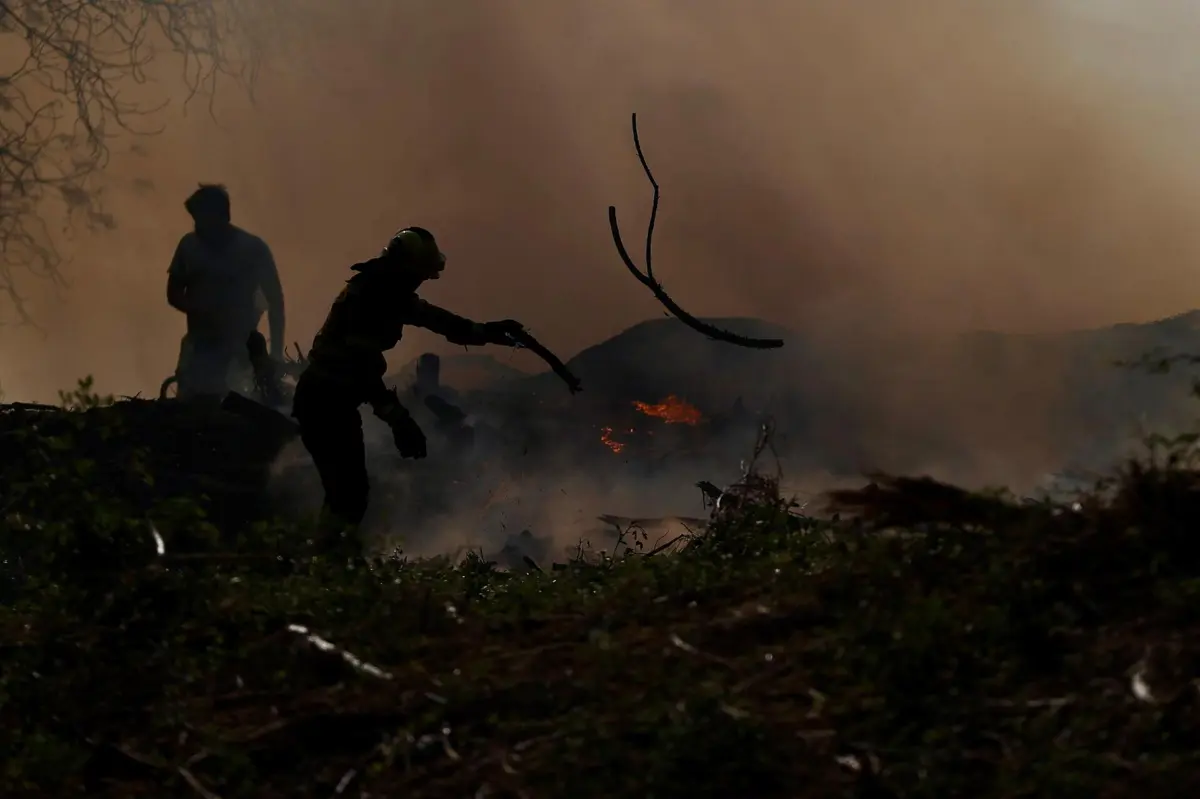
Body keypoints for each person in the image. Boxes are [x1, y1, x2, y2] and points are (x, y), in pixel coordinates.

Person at [292, 226, 525, 552]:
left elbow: (442, 322)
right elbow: (361, 371)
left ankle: (327, 559)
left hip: (334, 402)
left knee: (348, 493)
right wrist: (398, 420)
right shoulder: (371, 297)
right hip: (324, 401)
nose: (422, 281)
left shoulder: (388, 291)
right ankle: (325, 562)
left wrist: (490, 332)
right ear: (405, 268)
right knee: (347, 494)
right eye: (420, 274)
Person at [166, 184, 286, 399]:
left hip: (241, 349)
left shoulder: (252, 249)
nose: (198, 226)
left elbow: (275, 301)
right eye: (195, 219)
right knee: (191, 406)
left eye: (203, 219)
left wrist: (276, 353)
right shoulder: (189, 246)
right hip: (199, 348)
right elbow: (173, 292)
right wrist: (198, 310)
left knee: (243, 404)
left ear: (224, 216)